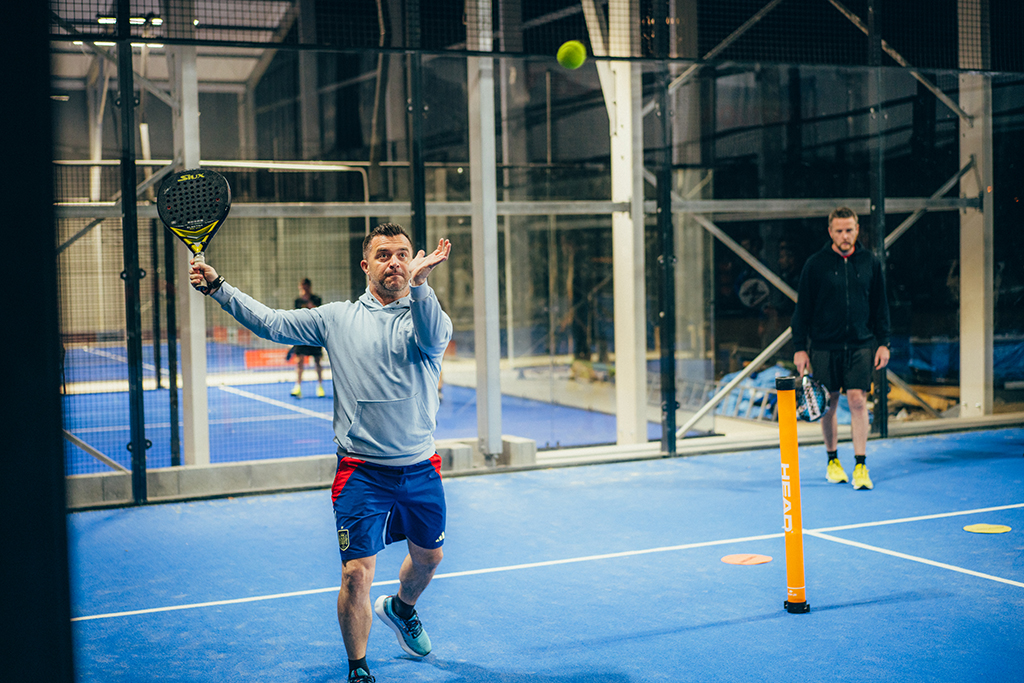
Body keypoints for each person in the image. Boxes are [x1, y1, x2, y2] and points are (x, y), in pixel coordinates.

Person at [190, 223, 452, 683]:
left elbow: (433, 341)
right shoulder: (335, 317)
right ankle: (359, 669)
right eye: (384, 254)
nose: (395, 262)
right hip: (362, 471)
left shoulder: (426, 315)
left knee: (429, 559)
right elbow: (270, 323)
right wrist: (218, 287)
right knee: (355, 574)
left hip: (420, 466)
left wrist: (422, 285)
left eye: (403, 254)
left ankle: (401, 607)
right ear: (365, 265)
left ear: (414, 262)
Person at [790, 207, 890, 490]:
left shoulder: (870, 262)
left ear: (857, 230)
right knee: (829, 403)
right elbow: (802, 311)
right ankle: (832, 461)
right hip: (823, 346)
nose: (845, 236)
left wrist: (884, 342)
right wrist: (800, 347)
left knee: (857, 400)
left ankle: (860, 466)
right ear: (830, 232)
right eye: (839, 231)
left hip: (861, 344)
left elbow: (880, 307)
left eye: (849, 230)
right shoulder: (815, 264)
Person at [289, 278, 326, 398]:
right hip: (301, 335)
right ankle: (297, 386)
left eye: (305, 286)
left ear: (309, 287)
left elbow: (318, 313)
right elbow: (296, 317)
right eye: (302, 286)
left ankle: (320, 386)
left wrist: (308, 301)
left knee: (317, 361)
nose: (303, 289)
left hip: (314, 335)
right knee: (299, 361)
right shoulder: (297, 301)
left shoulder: (316, 299)